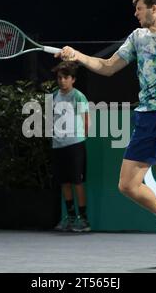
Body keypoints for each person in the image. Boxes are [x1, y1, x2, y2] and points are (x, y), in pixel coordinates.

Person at [56, 0, 156, 264]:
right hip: (145, 117)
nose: (135, 13)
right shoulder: (137, 38)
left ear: (154, 8)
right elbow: (107, 66)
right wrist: (77, 56)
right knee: (127, 185)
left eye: (139, 8)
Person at [51, 61, 91, 232]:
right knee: (64, 183)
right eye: (59, 78)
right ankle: (70, 217)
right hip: (58, 145)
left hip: (75, 144)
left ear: (73, 79)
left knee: (77, 182)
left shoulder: (78, 96)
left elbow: (86, 119)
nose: (62, 81)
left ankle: (84, 220)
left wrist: (81, 137)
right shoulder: (53, 96)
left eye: (65, 77)